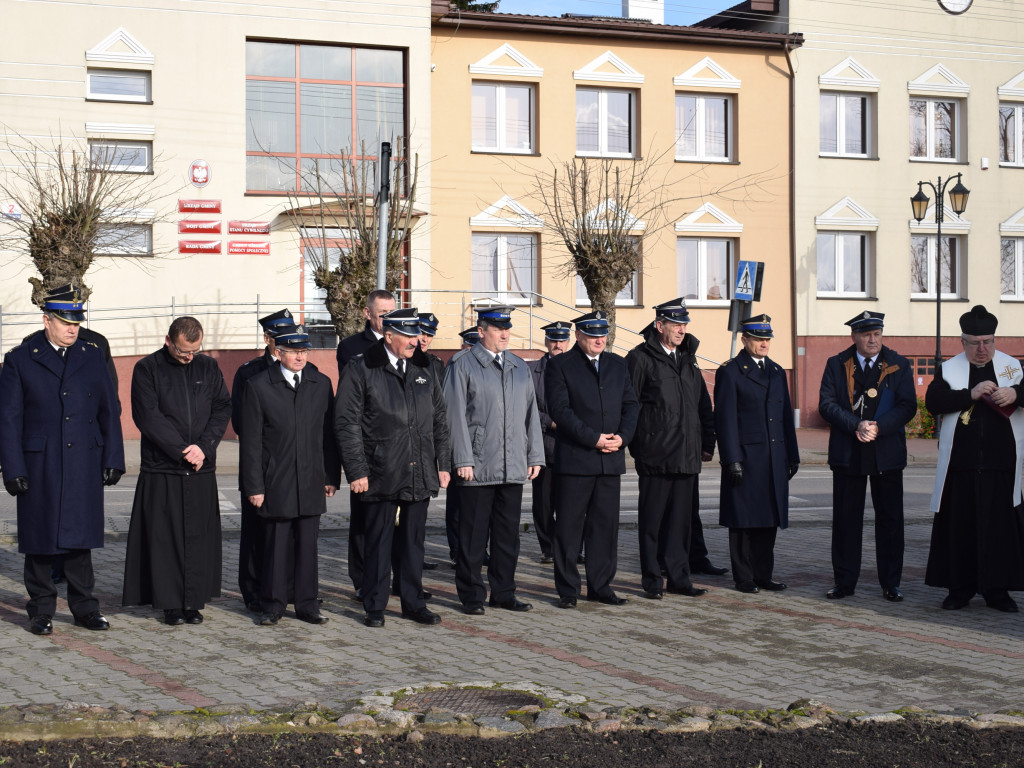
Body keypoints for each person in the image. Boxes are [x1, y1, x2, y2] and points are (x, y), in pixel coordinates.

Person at [0, 285, 124, 635]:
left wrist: (113, 457)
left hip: (84, 459)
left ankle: (85, 608)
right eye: (66, 322)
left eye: (76, 322)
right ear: (47, 321)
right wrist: (13, 468)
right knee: (40, 540)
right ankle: (41, 609)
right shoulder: (21, 359)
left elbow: (108, 410)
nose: (73, 328)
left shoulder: (92, 355)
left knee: (80, 541)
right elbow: (8, 419)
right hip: (41, 463)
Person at [336, 308, 451, 627]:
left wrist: (443, 462)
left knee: (413, 543)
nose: (416, 341)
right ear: (388, 336)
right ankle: (374, 605)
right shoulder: (361, 368)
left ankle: (413, 602)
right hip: (380, 470)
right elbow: (346, 423)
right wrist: (357, 470)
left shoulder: (425, 367)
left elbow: (440, 418)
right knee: (378, 541)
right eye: (408, 336)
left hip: (419, 469)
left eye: (417, 335)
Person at [123, 316, 231, 626]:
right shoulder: (147, 369)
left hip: (200, 466)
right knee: (165, 540)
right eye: (184, 351)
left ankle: (193, 602)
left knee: (198, 538)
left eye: (195, 351)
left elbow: (222, 407)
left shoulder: (208, 367)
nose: (189, 357)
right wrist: (183, 451)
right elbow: (148, 417)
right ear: (169, 341)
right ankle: (170, 604)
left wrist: (204, 447)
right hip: (164, 468)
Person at [443, 305, 544, 615]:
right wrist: (462, 458)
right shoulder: (462, 365)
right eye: (498, 329)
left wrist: (535, 454)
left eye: (507, 329)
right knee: (473, 537)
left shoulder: (519, 366)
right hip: (476, 466)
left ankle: (504, 592)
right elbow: (453, 416)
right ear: (481, 331)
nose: (505, 334)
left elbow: (531, 415)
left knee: (507, 537)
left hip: (513, 466)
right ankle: (472, 595)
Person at [924, 305, 1024, 612]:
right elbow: (933, 402)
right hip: (961, 466)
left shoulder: (1012, 367)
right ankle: (960, 589)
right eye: (975, 343)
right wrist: (970, 393)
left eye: (987, 342)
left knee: (1000, 532)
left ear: (994, 340)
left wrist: (1016, 394)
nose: (982, 349)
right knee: (960, 530)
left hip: (1001, 466)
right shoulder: (949, 369)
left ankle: (998, 591)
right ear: (963, 342)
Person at [240, 324, 339, 626]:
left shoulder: (320, 383)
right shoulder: (258, 386)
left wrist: (331, 476)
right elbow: (251, 443)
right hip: (276, 481)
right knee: (276, 546)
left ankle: (307, 604)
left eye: (304, 351)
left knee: (307, 546)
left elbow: (328, 435)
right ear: (279, 352)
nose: (300, 357)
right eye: (294, 352)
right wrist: (254, 486)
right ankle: (272, 604)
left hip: (310, 479)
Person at [818, 311, 916, 602]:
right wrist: (856, 425)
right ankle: (844, 582)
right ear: (854, 336)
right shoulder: (836, 364)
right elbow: (827, 404)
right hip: (848, 452)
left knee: (890, 522)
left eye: (877, 334)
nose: (873, 340)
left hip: (886, 452)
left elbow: (907, 405)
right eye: (866, 335)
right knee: (846, 522)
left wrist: (879, 427)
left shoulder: (899, 363)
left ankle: (891, 583)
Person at [545, 311, 638, 608]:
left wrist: (622, 437)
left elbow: (631, 405)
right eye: (593, 334)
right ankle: (568, 590)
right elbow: (560, 410)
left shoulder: (617, 364)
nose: (600, 340)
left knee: (604, 528)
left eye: (603, 334)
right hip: (576, 460)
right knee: (569, 529)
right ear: (579, 335)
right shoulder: (560, 365)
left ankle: (601, 586)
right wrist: (593, 438)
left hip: (610, 460)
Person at [626, 298, 715, 600]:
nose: (682, 330)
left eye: (684, 324)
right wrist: (640, 449)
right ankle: (652, 581)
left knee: (681, 525)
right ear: (659, 325)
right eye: (676, 324)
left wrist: (707, 443)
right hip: (656, 457)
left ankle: (679, 579)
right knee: (652, 524)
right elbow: (630, 406)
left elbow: (702, 405)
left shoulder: (688, 359)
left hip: (687, 456)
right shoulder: (640, 358)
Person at [714, 315, 799, 594]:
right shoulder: (731, 372)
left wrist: (793, 454)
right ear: (745, 340)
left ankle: (764, 574)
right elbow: (725, 420)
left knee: (768, 519)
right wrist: (731, 459)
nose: (764, 344)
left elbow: (785, 416)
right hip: (747, 458)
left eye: (767, 339)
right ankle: (744, 577)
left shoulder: (776, 371)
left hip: (774, 457)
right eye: (758, 339)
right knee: (743, 520)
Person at [231, 308, 296, 613]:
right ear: (268, 338)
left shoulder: (302, 368)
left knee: (292, 532)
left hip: (293, 464)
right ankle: (254, 590)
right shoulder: (250, 372)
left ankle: (290, 589)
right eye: (280, 336)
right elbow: (241, 422)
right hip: (262, 463)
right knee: (256, 531)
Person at [336, 290, 397, 601]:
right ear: (367, 313)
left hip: (397, 445)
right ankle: (362, 579)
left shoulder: (404, 343)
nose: (387, 318)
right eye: (382, 313)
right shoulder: (351, 348)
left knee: (396, 520)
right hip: (367, 445)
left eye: (391, 312)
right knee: (362, 520)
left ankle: (396, 577)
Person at [528, 321, 571, 564]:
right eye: (554, 339)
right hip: (543, 447)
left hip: (571, 448)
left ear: (569, 342)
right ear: (546, 342)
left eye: (562, 340)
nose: (558, 344)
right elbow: (527, 407)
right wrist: (551, 422)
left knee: (570, 503)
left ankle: (570, 547)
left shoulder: (577, 368)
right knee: (543, 504)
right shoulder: (532, 371)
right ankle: (548, 548)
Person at [444, 326, 482, 567]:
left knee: (478, 508)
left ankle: (478, 550)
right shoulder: (456, 365)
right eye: (470, 345)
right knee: (458, 505)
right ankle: (457, 549)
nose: (473, 350)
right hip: (460, 445)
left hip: (482, 448)